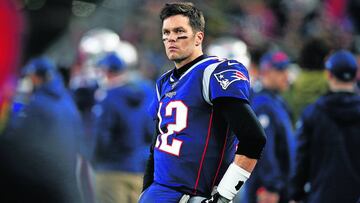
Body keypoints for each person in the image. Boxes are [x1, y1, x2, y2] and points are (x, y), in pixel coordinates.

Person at [139, 2, 266, 203]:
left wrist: (224, 195)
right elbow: (155, 147)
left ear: (199, 37)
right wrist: (146, 191)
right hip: (158, 193)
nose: (171, 38)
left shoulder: (213, 72)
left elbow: (254, 138)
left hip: (190, 195)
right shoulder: (164, 82)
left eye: (179, 31)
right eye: (166, 32)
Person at [1, 57, 82, 202]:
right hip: (66, 178)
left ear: (37, 77)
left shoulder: (38, 104)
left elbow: (16, 138)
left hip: (42, 177)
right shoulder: (68, 101)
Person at [289, 50, 360, 203]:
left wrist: (295, 193)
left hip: (321, 196)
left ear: (329, 75)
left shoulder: (313, 113)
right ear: (356, 75)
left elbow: (301, 159)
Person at [92, 52, 152, 203]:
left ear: (106, 71)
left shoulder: (109, 97)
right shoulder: (146, 93)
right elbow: (152, 132)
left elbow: (101, 137)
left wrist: (96, 158)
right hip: (139, 171)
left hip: (112, 171)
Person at [243, 51, 295, 203]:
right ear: (265, 72)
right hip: (266, 189)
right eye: (280, 70)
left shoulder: (276, 100)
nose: (287, 75)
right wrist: (270, 186)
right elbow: (263, 149)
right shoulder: (262, 104)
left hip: (279, 185)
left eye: (287, 69)